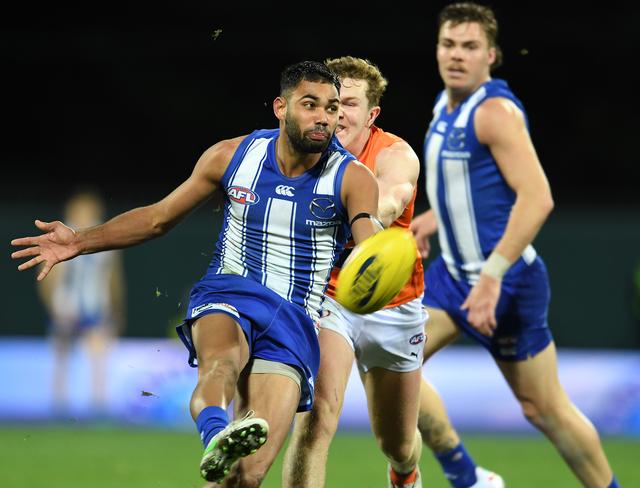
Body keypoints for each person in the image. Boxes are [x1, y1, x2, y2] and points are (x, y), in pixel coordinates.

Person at [11, 60, 381, 487]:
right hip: (230, 292)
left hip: (294, 319)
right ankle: (214, 433)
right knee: (221, 362)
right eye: (310, 104)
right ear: (281, 107)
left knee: (248, 475)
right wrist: (79, 241)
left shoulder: (353, 177)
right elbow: (158, 218)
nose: (324, 117)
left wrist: (377, 261)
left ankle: (225, 454)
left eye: (332, 108)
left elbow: (368, 242)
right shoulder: (232, 156)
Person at [410, 3, 620, 487]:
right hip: (453, 276)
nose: (456, 56)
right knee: (388, 359)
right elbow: (479, 191)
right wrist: (433, 219)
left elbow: (537, 198)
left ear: (492, 55)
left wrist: (491, 277)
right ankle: (466, 476)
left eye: (469, 47)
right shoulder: (445, 106)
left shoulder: (494, 113)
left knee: (543, 409)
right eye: (448, 44)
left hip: (506, 282)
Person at [282, 56, 502, 488]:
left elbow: (391, 197)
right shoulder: (303, 151)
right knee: (315, 418)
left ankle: (406, 474)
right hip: (330, 297)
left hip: (394, 305)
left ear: (371, 114)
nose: (337, 113)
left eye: (348, 103)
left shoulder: (395, 153)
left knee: (398, 444)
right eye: (330, 102)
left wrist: (362, 215)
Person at [37, 188, 126, 418]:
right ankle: (58, 405)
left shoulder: (104, 238)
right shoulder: (59, 236)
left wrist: (116, 308)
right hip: (66, 306)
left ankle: (98, 405)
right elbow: (48, 276)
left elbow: (113, 277)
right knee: (62, 355)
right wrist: (53, 305)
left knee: (98, 356)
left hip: (95, 305)